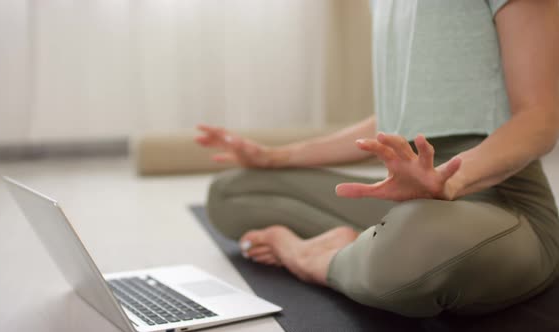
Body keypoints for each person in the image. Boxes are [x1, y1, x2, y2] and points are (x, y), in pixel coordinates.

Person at [195, 0, 559, 317]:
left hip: (500, 206)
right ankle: (365, 246)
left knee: (419, 242)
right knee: (233, 191)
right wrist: (275, 157)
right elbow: (391, 124)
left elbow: (540, 118)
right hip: (415, 202)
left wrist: (450, 182)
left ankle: (312, 258)